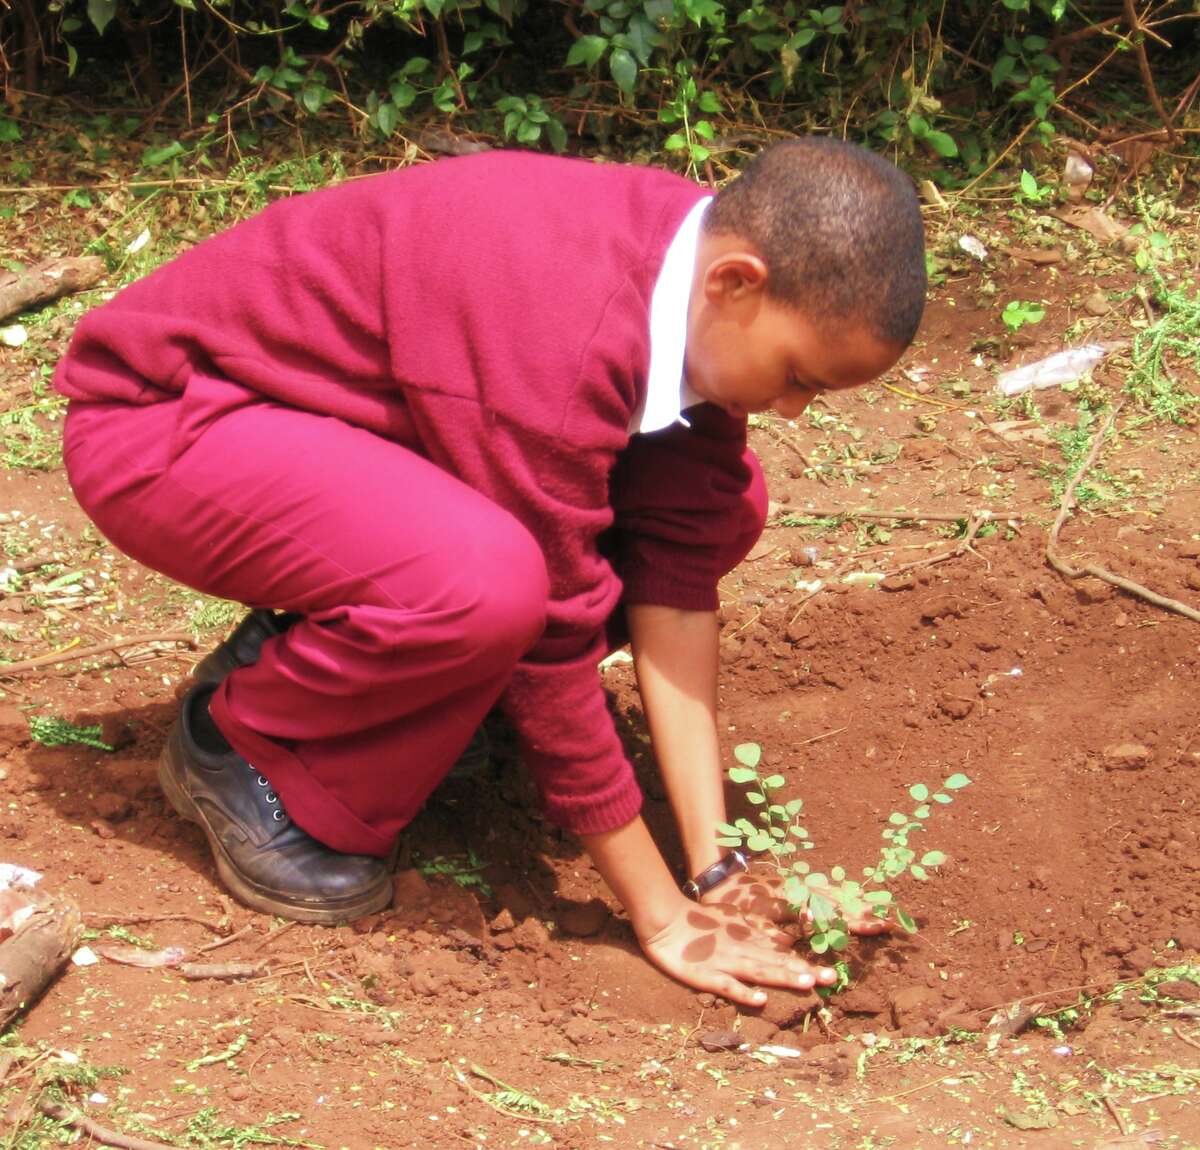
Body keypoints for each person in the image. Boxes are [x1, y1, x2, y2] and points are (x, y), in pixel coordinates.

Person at [54, 137, 925, 1007]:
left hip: (328, 430)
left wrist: (717, 865)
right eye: (796, 377)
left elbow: (680, 561)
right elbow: (551, 631)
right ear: (737, 282)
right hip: (169, 425)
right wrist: (661, 916)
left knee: (720, 507)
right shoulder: (564, 328)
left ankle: (356, 670)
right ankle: (247, 744)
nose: (793, 408)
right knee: (488, 582)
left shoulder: (689, 275)